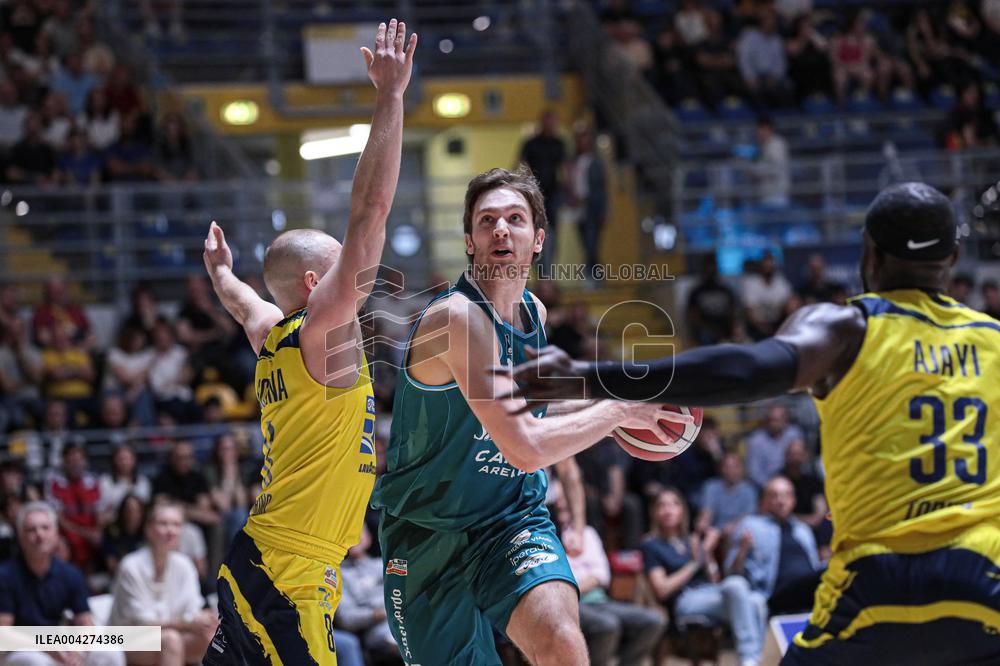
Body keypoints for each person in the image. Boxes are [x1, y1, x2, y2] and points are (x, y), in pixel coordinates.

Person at [508, 181, 1000, 663]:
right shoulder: (993, 340)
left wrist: (589, 377)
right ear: (954, 258)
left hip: (877, 581)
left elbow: (745, 370)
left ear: (868, 256)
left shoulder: (847, 327)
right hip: (985, 577)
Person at [371, 165, 686, 666]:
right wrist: (616, 410)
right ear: (470, 242)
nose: (500, 229)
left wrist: (628, 406)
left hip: (510, 519)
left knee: (561, 642)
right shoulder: (456, 318)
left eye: (515, 219)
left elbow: (533, 402)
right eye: (487, 221)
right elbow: (524, 445)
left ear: (538, 240)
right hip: (428, 531)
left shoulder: (533, 312)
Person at [200, 20, 416, 665]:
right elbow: (370, 211)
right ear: (318, 285)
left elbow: (243, 302)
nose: (360, 271)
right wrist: (390, 97)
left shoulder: (275, 336)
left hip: (275, 561)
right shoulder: (323, 330)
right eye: (342, 263)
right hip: (284, 573)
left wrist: (221, 272)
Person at [642, 488, 766, 666]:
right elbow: (662, 589)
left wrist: (707, 554)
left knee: (757, 601)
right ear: (654, 512)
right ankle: (749, 658)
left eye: (674, 504)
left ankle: (750, 659)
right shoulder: (651, 545)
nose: (668, 510)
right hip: (685, 600)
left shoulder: (690, 540)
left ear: (682, 511)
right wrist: (695, 561)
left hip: (710, 593)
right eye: (662, 505)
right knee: (736, 584)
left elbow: (714, 580)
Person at [0, 502, 124, 666]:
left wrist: (77, 651)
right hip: (21, 647)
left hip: (61, 642)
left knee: (110, 652)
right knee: (35, 662)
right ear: (21, 536)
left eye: (45, 528)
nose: (39, 535)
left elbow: (85, 622)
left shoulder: (70, 574)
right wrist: (45, 646)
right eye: (31, 530)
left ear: (56, 534)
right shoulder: (5, 575)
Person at [559, 486, 665, 665]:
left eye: (566, 499)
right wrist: (587, 582)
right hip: (570, 606)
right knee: (608, 626)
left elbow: (602, 574)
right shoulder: (546, 535)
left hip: (599, 601)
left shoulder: (588, 533)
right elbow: (558, 586)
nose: (563, 504)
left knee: (654, 621)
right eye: (559, 500)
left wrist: (575, 586)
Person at [109, 501, 217, 666]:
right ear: (148, 529)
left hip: (171, 635)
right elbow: (143, 623)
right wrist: (187, 623)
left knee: (215, 634)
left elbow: (192, 610)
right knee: (170, 640)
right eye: (163, 524)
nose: (170, 531)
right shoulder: (130, 566)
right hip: (125, 637)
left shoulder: (185, 564)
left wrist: (206, 620)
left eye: (176, 525)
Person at [726, 476, 823, 615]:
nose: (781, 501)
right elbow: (731, 573)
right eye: (774, 495)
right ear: (764, 500)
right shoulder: (751, 526)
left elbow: (815, 564)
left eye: (786, 495)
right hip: (776, 593)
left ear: (793, 500)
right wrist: (742, 550)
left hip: (810, 591)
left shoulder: (803, 530)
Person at [336, 524, 399, 664]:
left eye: (358, 533)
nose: (354, 538)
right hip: (377, 631)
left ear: (369, 537)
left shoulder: (384, 564)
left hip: (403, 620)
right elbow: (346, 619)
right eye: (346, 534)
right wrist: (381, 613)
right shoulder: (338, 575)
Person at [517, 110, 566, 270]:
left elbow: (565, 168)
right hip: (534, 194)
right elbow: (520, 164)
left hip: (553, 194)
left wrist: (569, 191)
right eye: (547, 122)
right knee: (534, 231)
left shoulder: (559, 144)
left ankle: (548, 270)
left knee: (552, 233)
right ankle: (538, 270)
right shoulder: (531, 143)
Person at [696, 452, 759, 539]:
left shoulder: (750, 490)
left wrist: (734, 526)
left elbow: (749, 517)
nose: (731, 470)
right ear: (721, 469)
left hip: (739, 532)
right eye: (727, 467)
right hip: (714, 531)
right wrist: (704, 522)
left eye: (735, 466)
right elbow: (707, 511)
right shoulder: (711, 486)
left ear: (742, 469)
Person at [744, 404, 805, 488]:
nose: (773, 423)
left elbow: (803, 461)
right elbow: (754, 472)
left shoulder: (794, 434)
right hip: (765, 486)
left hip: (794, 482)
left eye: (777, 420)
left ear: (786, 420)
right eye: (771, 420)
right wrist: (772, 486)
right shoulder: (756, 440)